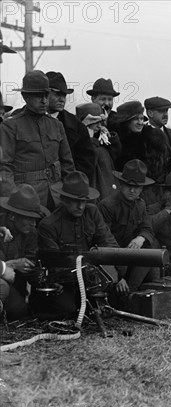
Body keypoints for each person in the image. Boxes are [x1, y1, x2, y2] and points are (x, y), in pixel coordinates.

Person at [36, 171, 121, 319]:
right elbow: (55, 264)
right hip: (64, 282)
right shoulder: (49, 226)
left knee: (113, 299)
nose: (80, 206)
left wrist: (119, 272)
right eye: (75, 201)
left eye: (83, 201)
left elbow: (108, 242)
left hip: (90, 278)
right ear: (64, 200)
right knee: (67, 310)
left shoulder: (92, 212)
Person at [0, 70, 75, 210]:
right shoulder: (10, 126)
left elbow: (68, 165)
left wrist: (72, 197)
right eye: (38, 96)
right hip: (26, 199)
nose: (44, 101)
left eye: (46, 95)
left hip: (57, 198)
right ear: (25, 96)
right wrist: (14, 203)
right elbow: (4, 169)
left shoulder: (56, 125)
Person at [98, 159, 158, 294]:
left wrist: (141, 238)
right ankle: (128, 296)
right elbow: (104, 241)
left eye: (136, 187)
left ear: (142, 188)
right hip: (112, 259)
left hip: (130, 256)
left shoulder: (140, 204)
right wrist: (119, 276)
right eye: (128, 185)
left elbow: (147, 228)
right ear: (121, 184)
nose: (132, 190)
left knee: (151, 250)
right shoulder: (107, 206)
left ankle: (137, 295)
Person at [110, 100, 171, 213]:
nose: (140, 122)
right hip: (124, 196)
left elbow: (166, 168)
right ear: (125, 122)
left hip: (152, 196)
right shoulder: (116, 141)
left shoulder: (153, 138)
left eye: (141, 118)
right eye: (136, 119)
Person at [0, 184, 49, 320]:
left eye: (34, 218)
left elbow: (31, 262)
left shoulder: (31, 233)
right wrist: (11, 265)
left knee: (19, 311)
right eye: (28, 218)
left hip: (14, 282)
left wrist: (43, 277)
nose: (33, 224)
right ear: (12, 217)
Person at [46, 71, 96, 183]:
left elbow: (86, 163)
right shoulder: (23, 120)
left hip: (66, 190)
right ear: (44, 94)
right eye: (57, 94)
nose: (62, 99)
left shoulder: (77, 126)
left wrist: (73, 184)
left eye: (64, 95)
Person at [145, 96, 171, 165]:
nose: (165, 115)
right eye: (161, 111)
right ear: (150, 113)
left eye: (166, 110)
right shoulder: (141, 134)